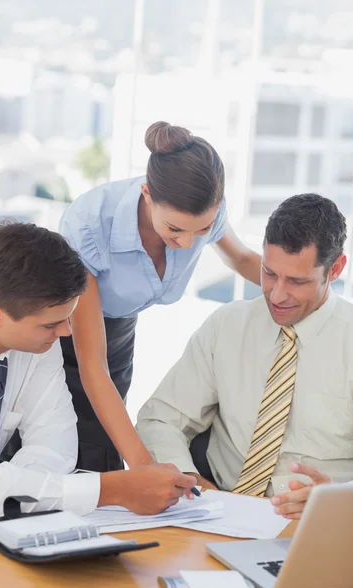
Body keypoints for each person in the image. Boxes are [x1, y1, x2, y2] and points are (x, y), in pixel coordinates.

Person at [0, 222, 196, 543]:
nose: (66, 333)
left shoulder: (38, 340)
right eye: (52, 324)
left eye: (66, 319)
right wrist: (111, 489)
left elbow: (56, 450)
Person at [136, 193, 353, 519]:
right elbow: (160, 420)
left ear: (336, 269)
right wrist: (191, 483)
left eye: (297, 281)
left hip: (321, 525)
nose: (278, 294)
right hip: (217, 513)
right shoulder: (227, 326)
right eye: (269, 273)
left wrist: (337, 501)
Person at [59, 121, 261, 472]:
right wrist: (143, 466)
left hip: (118, 336)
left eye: (201, 230)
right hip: (62, 338)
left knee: (106, 452)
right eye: (175, 229)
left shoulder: (204, 211)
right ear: (148, 193)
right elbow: (92, 365)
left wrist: (297, 286)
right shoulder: (90, 224)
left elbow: (242, 259)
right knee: (75, 452)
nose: (187, 242)